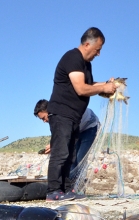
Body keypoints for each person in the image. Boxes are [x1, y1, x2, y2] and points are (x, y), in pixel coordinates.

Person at [44, 27, 118, 202]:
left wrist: (108, 86)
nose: (98, 54)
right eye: (97, 49)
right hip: (62, 113)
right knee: (61, 153)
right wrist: (103, 87)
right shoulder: (72, 58)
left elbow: (91, 85)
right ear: (87, 44)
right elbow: (81, 88)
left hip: (74, 117)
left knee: (70, 155)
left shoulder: (86, 65)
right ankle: (53, 191)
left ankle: (66, 190)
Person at [33, 99, 99, 173]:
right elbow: (58, 133)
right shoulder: (53, 118)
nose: (44, 121)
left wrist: (54, 145)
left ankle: (79, 182)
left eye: (43, 118)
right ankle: (73, 182)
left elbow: (65, 132)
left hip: (90, 126)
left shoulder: (62, 112)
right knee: (72, 160)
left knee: (80, 159)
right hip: (77, 131)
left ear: (48, 110)